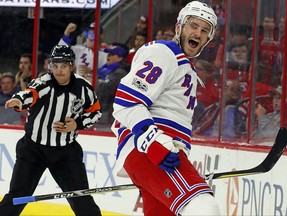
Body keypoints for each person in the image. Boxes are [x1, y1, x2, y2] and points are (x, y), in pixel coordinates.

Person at [111, 1, 220, 215]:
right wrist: (153, 142)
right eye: (194, 26)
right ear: (179, 27)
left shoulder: (183, 64)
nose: (198, 33)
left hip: (158, 153)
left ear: (208, 39)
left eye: (205, 30)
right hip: (153, 151)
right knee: (205, 207)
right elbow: (127, 100)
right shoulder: (164, 52)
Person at [0, 45, 102, 216]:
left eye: (63, 66)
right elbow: (29, 94)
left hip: (66, 153)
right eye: (55, 65)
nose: (59, 70)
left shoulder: (83, 88)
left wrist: (76, 123)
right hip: (33, 151)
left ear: (72, 66)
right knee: (17, 197)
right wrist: (18, 100)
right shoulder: (44, 83)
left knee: (82, 200)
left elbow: (95, 113)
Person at [96, 45, 128, 125]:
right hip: (100, 107)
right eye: (108, 53)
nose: (108, 56)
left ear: (120, 58)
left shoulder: (120, 73)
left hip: (109, 111)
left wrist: (94, 81)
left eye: (112, 54)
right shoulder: (103, 70)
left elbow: (108, 90)